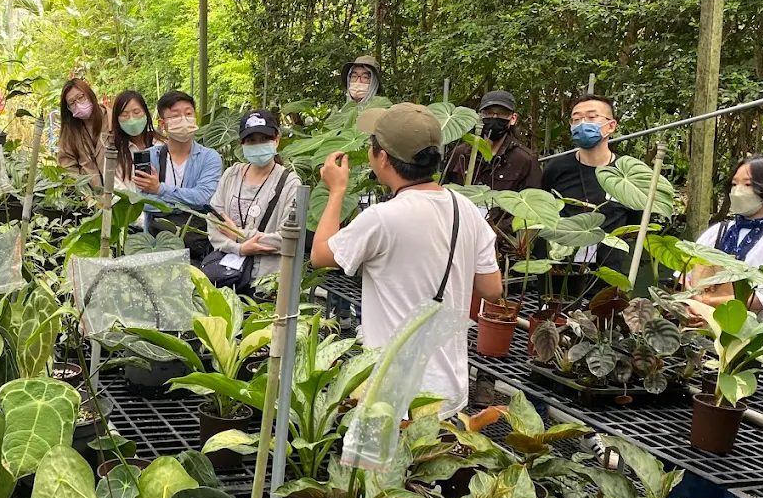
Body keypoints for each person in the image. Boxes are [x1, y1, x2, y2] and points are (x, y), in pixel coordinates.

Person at [311, 103, 502, 415]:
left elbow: (321, 254)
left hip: (393, 393)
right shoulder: (464, 208)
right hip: (447, 387)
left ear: (382, 158)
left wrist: (337, 191)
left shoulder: (383, 218)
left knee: (385, 465)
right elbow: (492, 289)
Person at [691, 154, 763, 336]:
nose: (738, 191)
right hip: (700, 334)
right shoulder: (718, 230)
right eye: (734, 184)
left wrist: (707, 303)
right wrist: (694, 305)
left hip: (744, 343)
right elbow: (684, 275)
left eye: (748, 185)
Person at [205, 109, 301, 292]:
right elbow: (213, 221)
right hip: (225, 276)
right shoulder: (231, 175)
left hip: (267, 284)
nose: (258, 145)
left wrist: (238, 234)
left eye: (264, 139)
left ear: (276, 140)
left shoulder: (290, 183)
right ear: (242, 143)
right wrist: (240, 248)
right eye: (251, 140)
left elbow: (287, 239)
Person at [541, 94, 639, 268]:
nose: (582, 124)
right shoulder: (556, 168)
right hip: (561, 272)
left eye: (592, 117)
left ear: (611, 126)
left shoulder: (627, 174)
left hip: (609, 274)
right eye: (576, 119)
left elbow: (635, 225)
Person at [136, 90, 223, 254]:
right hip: (157, 243)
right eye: (175, 116)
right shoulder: (149, 157)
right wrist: (184, 206)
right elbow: (144, 202)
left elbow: (203, 198)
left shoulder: (210, 158)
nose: (184, 119)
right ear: (162, 124)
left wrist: (159, 190)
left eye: (188, 114)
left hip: (197, 243)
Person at [443, 90, 541, 192]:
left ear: (513, 118)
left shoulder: (525, 160)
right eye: (489, 113)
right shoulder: (460, 154)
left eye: (501, 114)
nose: (494, 118)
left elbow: (534, 200)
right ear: (480, 116)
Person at [54, 77, 108, 187]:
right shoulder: (69, 133)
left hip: (120, 193)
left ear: (90, 94)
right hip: (90, 197)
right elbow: (67, 167)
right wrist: (85, 194)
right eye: (72, 102)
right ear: (68, 109)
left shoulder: (112, 120)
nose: (78, 104)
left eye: (81, 97)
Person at [110, 90, 156, 187]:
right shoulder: (113, 151)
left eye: (136, 112)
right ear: (117, 119)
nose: (131, 119)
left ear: (146, 113)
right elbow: (114, 187)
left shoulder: (161, 143)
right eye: (124, 114)